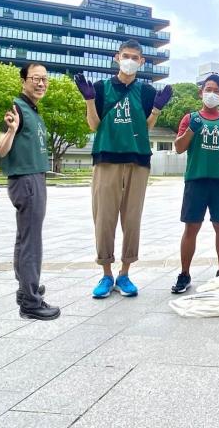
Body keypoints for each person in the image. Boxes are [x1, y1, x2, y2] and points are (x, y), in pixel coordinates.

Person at [74, 40, 172, 299]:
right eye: (125, 56)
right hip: (107, 158)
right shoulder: (101, 88)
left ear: (142, 61)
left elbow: (146, 125)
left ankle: (125, 273)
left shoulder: (146, 91)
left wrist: (157, 109)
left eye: (135, 57)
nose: (130, 60)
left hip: (137, 160)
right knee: (104, 217)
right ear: (117, 57)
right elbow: (94, 125)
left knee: (132, 219)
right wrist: (90, 100)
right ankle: (106, 274)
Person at [0, 62, 59, 321]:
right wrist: (11, 131)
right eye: (35, 78)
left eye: (44, 79)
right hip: (26, 179)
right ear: (24, 81)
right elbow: (1, 149)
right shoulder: (18, 108)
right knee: (31, 241)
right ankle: (31, 302)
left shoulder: (32, 109)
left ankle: (26, 290)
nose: (41, 83)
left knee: (26, 238)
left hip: (34, 177)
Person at [170, 75, 219, 293]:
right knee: (191, 227)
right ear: (201, 92)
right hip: (196, 179)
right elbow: (179, 147)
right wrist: (191, 129)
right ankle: (184, 273)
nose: (212, 94)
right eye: (208, 89)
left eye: (216, 91)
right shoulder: (190, 118)